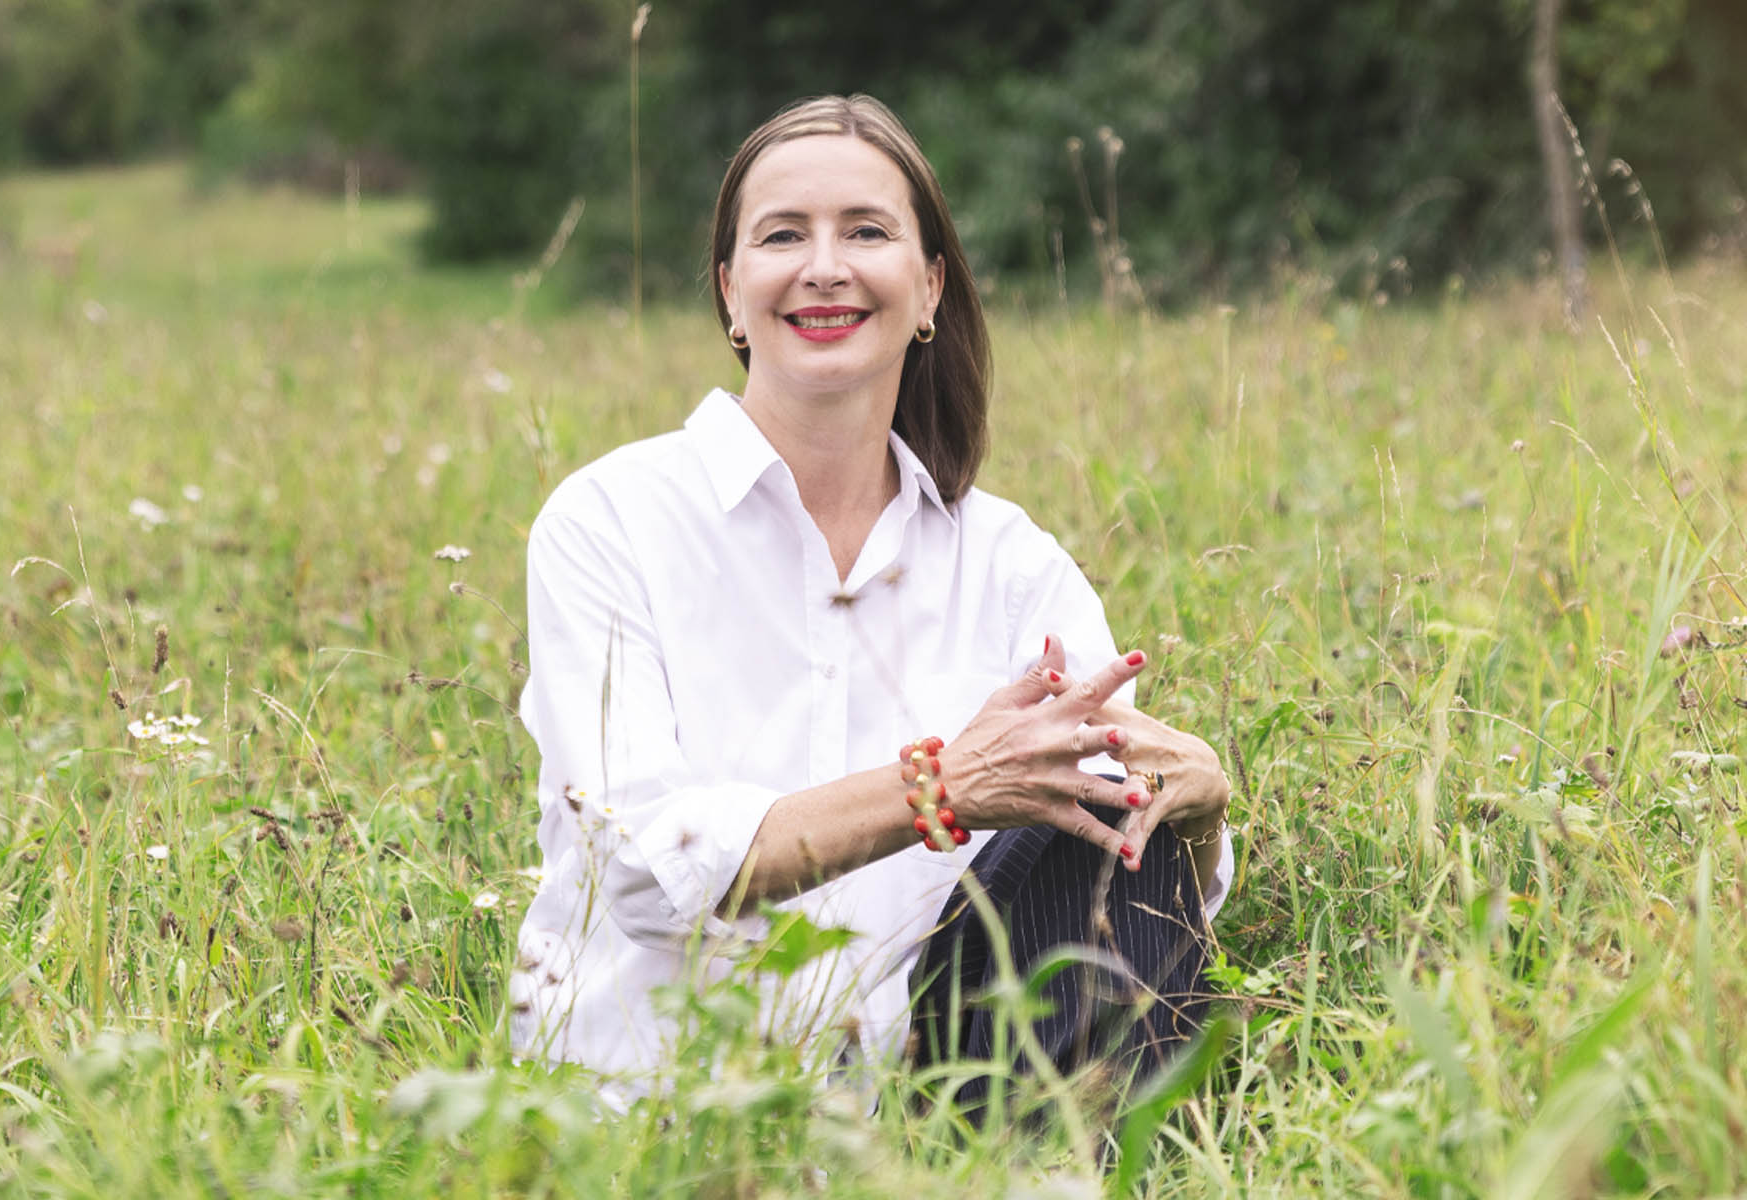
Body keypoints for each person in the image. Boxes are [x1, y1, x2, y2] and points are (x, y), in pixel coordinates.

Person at [508, 94, 1233, 1105]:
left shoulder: (1012, 567)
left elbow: (1108, 895)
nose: (824, 267)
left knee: (1098, 821)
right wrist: (942, 787)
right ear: (731, 293)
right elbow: (643, 867)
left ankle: (1060, 1163)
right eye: (782, 236)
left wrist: (1197, 808)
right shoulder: (610, 521)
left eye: (865, 231)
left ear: (929, 287)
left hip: (930, 1122)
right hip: (656, 1116)